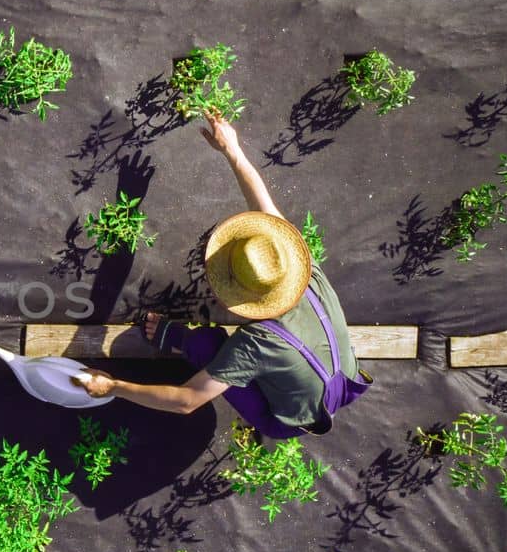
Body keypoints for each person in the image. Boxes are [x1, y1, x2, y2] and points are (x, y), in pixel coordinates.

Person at [76, 111, 370, 438]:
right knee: (243, 356)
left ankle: (178, 339)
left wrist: (114, 386)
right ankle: (275, 379)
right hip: (343, 380)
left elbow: (187, 400)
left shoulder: (257, 344)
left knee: (205, 345)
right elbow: (266, 209)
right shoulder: (304, 273)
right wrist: (232, 150)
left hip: (290, 419)